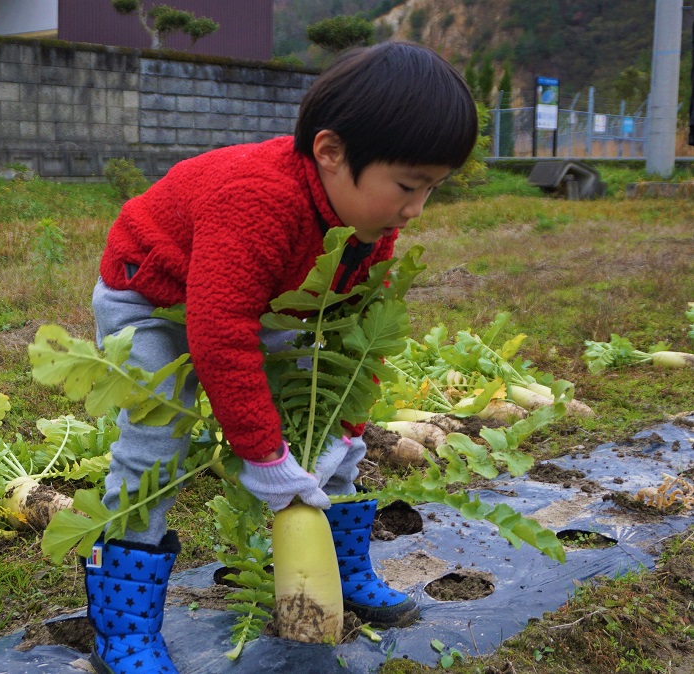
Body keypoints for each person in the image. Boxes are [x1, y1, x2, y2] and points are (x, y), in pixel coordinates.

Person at [84, 41, 478, 674]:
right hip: (152, 295)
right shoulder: (257, 201)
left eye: (431, 189)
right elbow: (218, 331)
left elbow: (353, 336)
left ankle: (343, 572)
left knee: (325, 424)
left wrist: (345, 428)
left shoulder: (370, 228)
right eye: (407, 186)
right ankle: (122, 629)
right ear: (330, 151)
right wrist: (266, 459)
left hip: (259, 304)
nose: (414, 209)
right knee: (155, 445)